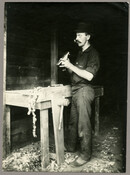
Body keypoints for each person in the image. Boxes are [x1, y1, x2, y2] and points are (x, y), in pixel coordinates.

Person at [57, 22, 100, 167]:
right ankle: (70, 147)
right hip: (75, 90)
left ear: (88, 37)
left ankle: (85, 155)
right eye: (76, 35)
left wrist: (70, 66)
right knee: (73, 122)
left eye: (80, 35)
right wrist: (66, 65)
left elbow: (88, 76)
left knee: (83, 123)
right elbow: (76, 73)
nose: (77, 37)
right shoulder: (80, 53)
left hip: (85, 90)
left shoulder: (93, 54)